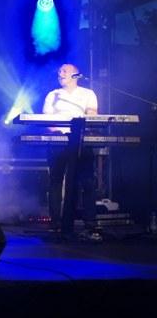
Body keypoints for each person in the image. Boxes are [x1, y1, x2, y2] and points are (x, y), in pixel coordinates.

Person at [42, 63, 98, 239]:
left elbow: (93, 115)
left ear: (75, 75)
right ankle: (56, 223)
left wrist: (82, 128)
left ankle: (90, 224)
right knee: (56, 180)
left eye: (64, 71)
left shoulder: (88, 94)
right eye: (59, 71)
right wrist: (57, 132)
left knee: (87, 181)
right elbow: (46, 120)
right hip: (59, 142)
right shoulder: (53, 95)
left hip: (81, 141)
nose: (60, 73)